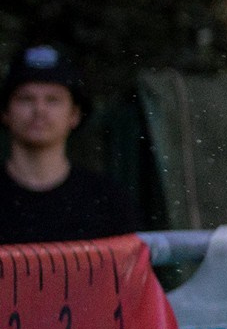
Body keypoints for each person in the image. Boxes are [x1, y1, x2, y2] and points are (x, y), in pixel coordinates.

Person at [0, 43, 140, 245]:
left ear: (74, 114)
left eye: (53, 100)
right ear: (5, 112)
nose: (39, 110)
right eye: (26, 99)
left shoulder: (108, 203)